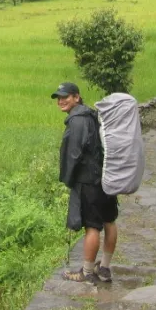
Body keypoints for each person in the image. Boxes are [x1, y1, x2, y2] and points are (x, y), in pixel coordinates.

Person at [52, 82, 118, 283]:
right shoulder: (91, 115)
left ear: (77, 97)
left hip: (89, 181)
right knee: (109, 221)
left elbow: (74, 153)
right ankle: (104, 268)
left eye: (65, 97)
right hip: (106, 177)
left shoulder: (78, 120)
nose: (61, 101)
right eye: (58, 98)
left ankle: (87, 273)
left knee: (92, 226)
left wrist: (69, 179)